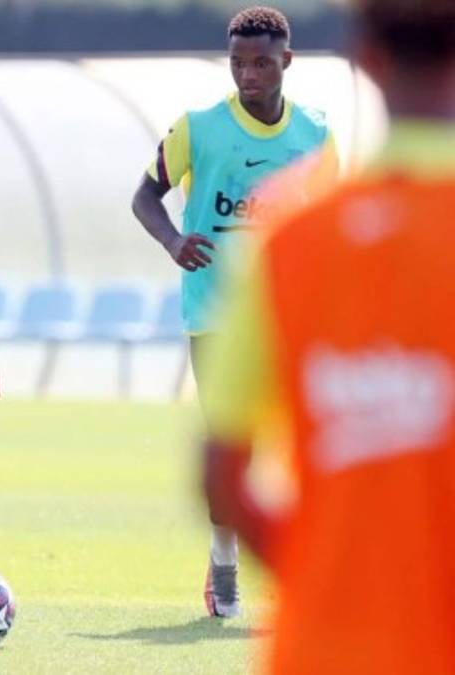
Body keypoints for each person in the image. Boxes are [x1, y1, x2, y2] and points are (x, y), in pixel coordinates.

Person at [202, 1, 455, 672]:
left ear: (365, 56)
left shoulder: (290, 236)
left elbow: (221, 473)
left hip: (325, 647)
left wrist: (329, 581)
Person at [130, 5, 338, 618]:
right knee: (232, 444)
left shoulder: (316, 135)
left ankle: (307, 566)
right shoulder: (197, 128)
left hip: (290, 316)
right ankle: (224, 564)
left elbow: (327, 223)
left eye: (261, 64)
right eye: (238, 64)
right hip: (215, 315)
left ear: (286, 62)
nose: (248, 75)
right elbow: (144, 196)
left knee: (303, 445)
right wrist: (173, 241)